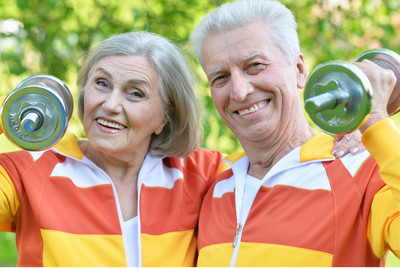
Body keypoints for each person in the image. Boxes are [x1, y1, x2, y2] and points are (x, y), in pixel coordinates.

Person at [190, 0, 400, 266]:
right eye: (220, 77)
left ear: (299, 70)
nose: (239, 92)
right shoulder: (211, 181)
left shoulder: (361, 172)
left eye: (254, 65)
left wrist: (376, 123)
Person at [0, 31, 224, 267]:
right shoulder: (28, 170)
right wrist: (8, 110)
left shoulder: (203, 173)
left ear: (165, 116)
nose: (110, 105)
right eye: (102, 84)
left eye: (135, 93)